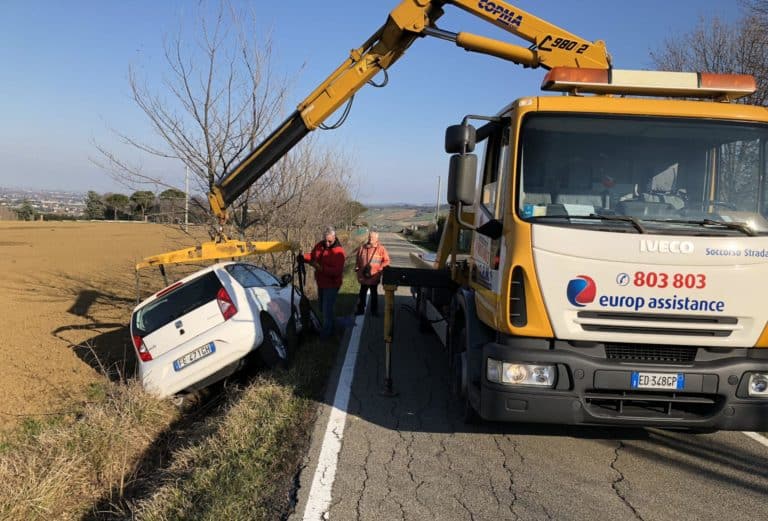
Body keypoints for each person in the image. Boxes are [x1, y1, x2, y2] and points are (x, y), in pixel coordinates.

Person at [304, 226, 346, 338]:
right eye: (325, 240)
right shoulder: (320, 245)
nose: (327, 243)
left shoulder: (339, 252)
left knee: (327, 310)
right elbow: (312, 257)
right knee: (322, 308)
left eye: (330, 241)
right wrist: (304, 257)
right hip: (321, 282)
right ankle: (334, 328)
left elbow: (337, 271)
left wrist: (321, 268)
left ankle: (325, 336)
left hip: (332, 284)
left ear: (334, 237)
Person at [355, 230, 391, 316]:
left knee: (374, 294)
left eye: (372, 237)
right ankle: (360, 310)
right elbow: (358, 259)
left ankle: (374, 311)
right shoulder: (362, 248)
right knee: (362, 294)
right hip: (363, 277)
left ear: (377, 239)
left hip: (374, 276)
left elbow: (387, 261)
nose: (370, 239)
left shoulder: (381, 249)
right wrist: (357, 268)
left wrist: (379, 269)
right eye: (369, 237)